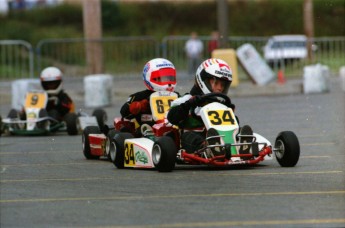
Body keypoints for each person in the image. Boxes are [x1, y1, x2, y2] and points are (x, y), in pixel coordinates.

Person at [167, 58, 252, 154]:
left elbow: (232, 124)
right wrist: (188, 105)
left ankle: (241, 145)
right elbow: (171, 117)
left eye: (223, 85)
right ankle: (207, 148)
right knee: (189, 137)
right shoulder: (186, 100)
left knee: (238, 130)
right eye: (216, 83)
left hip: (218, 137)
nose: (220, 88)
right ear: (203, 80)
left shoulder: (221, 105)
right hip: (194, 138)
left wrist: (231, 115)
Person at [120, 58, 178, 135]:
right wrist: (138, 106)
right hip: (146, 131)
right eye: (163, 78)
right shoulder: (140, 96)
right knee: (129, 131)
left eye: (170, 78)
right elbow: (123, 112)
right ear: (149, 77)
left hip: (173, 128)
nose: (168, 81)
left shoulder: (176, 96)